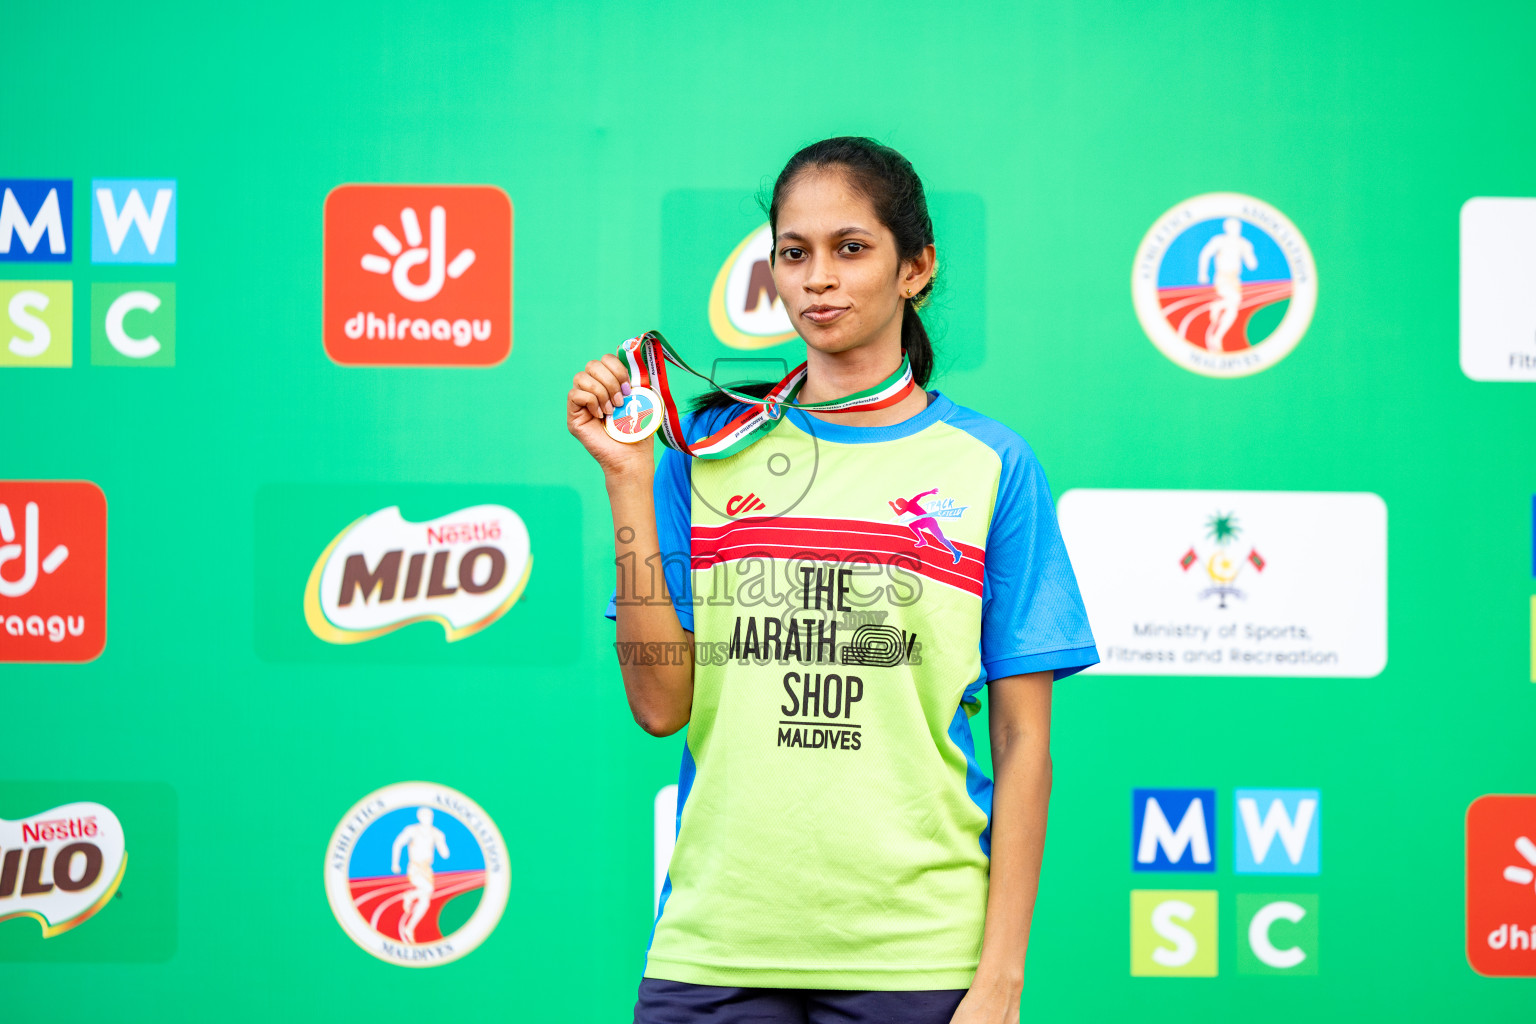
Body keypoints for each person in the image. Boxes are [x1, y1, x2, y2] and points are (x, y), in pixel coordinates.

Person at [567, 137, 1098, 1024]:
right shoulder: (699, 455)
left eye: (851, 248)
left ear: (916, 267)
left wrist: (1000, 981)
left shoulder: (991, 465)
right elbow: (661, 706)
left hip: (919, 959)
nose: (818, 277)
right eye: (794, 252)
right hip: (714, 948)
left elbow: (1023, 748)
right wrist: (625, 476)